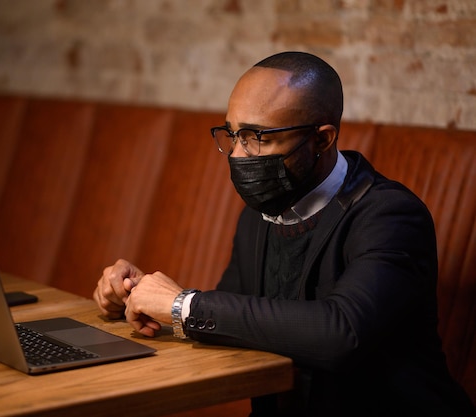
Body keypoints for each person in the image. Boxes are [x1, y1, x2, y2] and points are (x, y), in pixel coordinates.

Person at [93, 51, 476, 416]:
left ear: (322, 139)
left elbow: (341, 332)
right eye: (232, 134)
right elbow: (232, 318)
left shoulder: (390, 215)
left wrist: (183, 306)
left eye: (257, 137)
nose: (238, 155)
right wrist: (140, 297)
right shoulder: (261, 212)